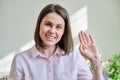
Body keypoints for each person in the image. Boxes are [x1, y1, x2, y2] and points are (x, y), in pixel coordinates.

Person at [9, 4, 104, 80]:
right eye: (48, 24)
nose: (52, 31)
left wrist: (95, 60)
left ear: (63, 32)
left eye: (58, 27)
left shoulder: (74, 57)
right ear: (39, 25)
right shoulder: (20, 60)